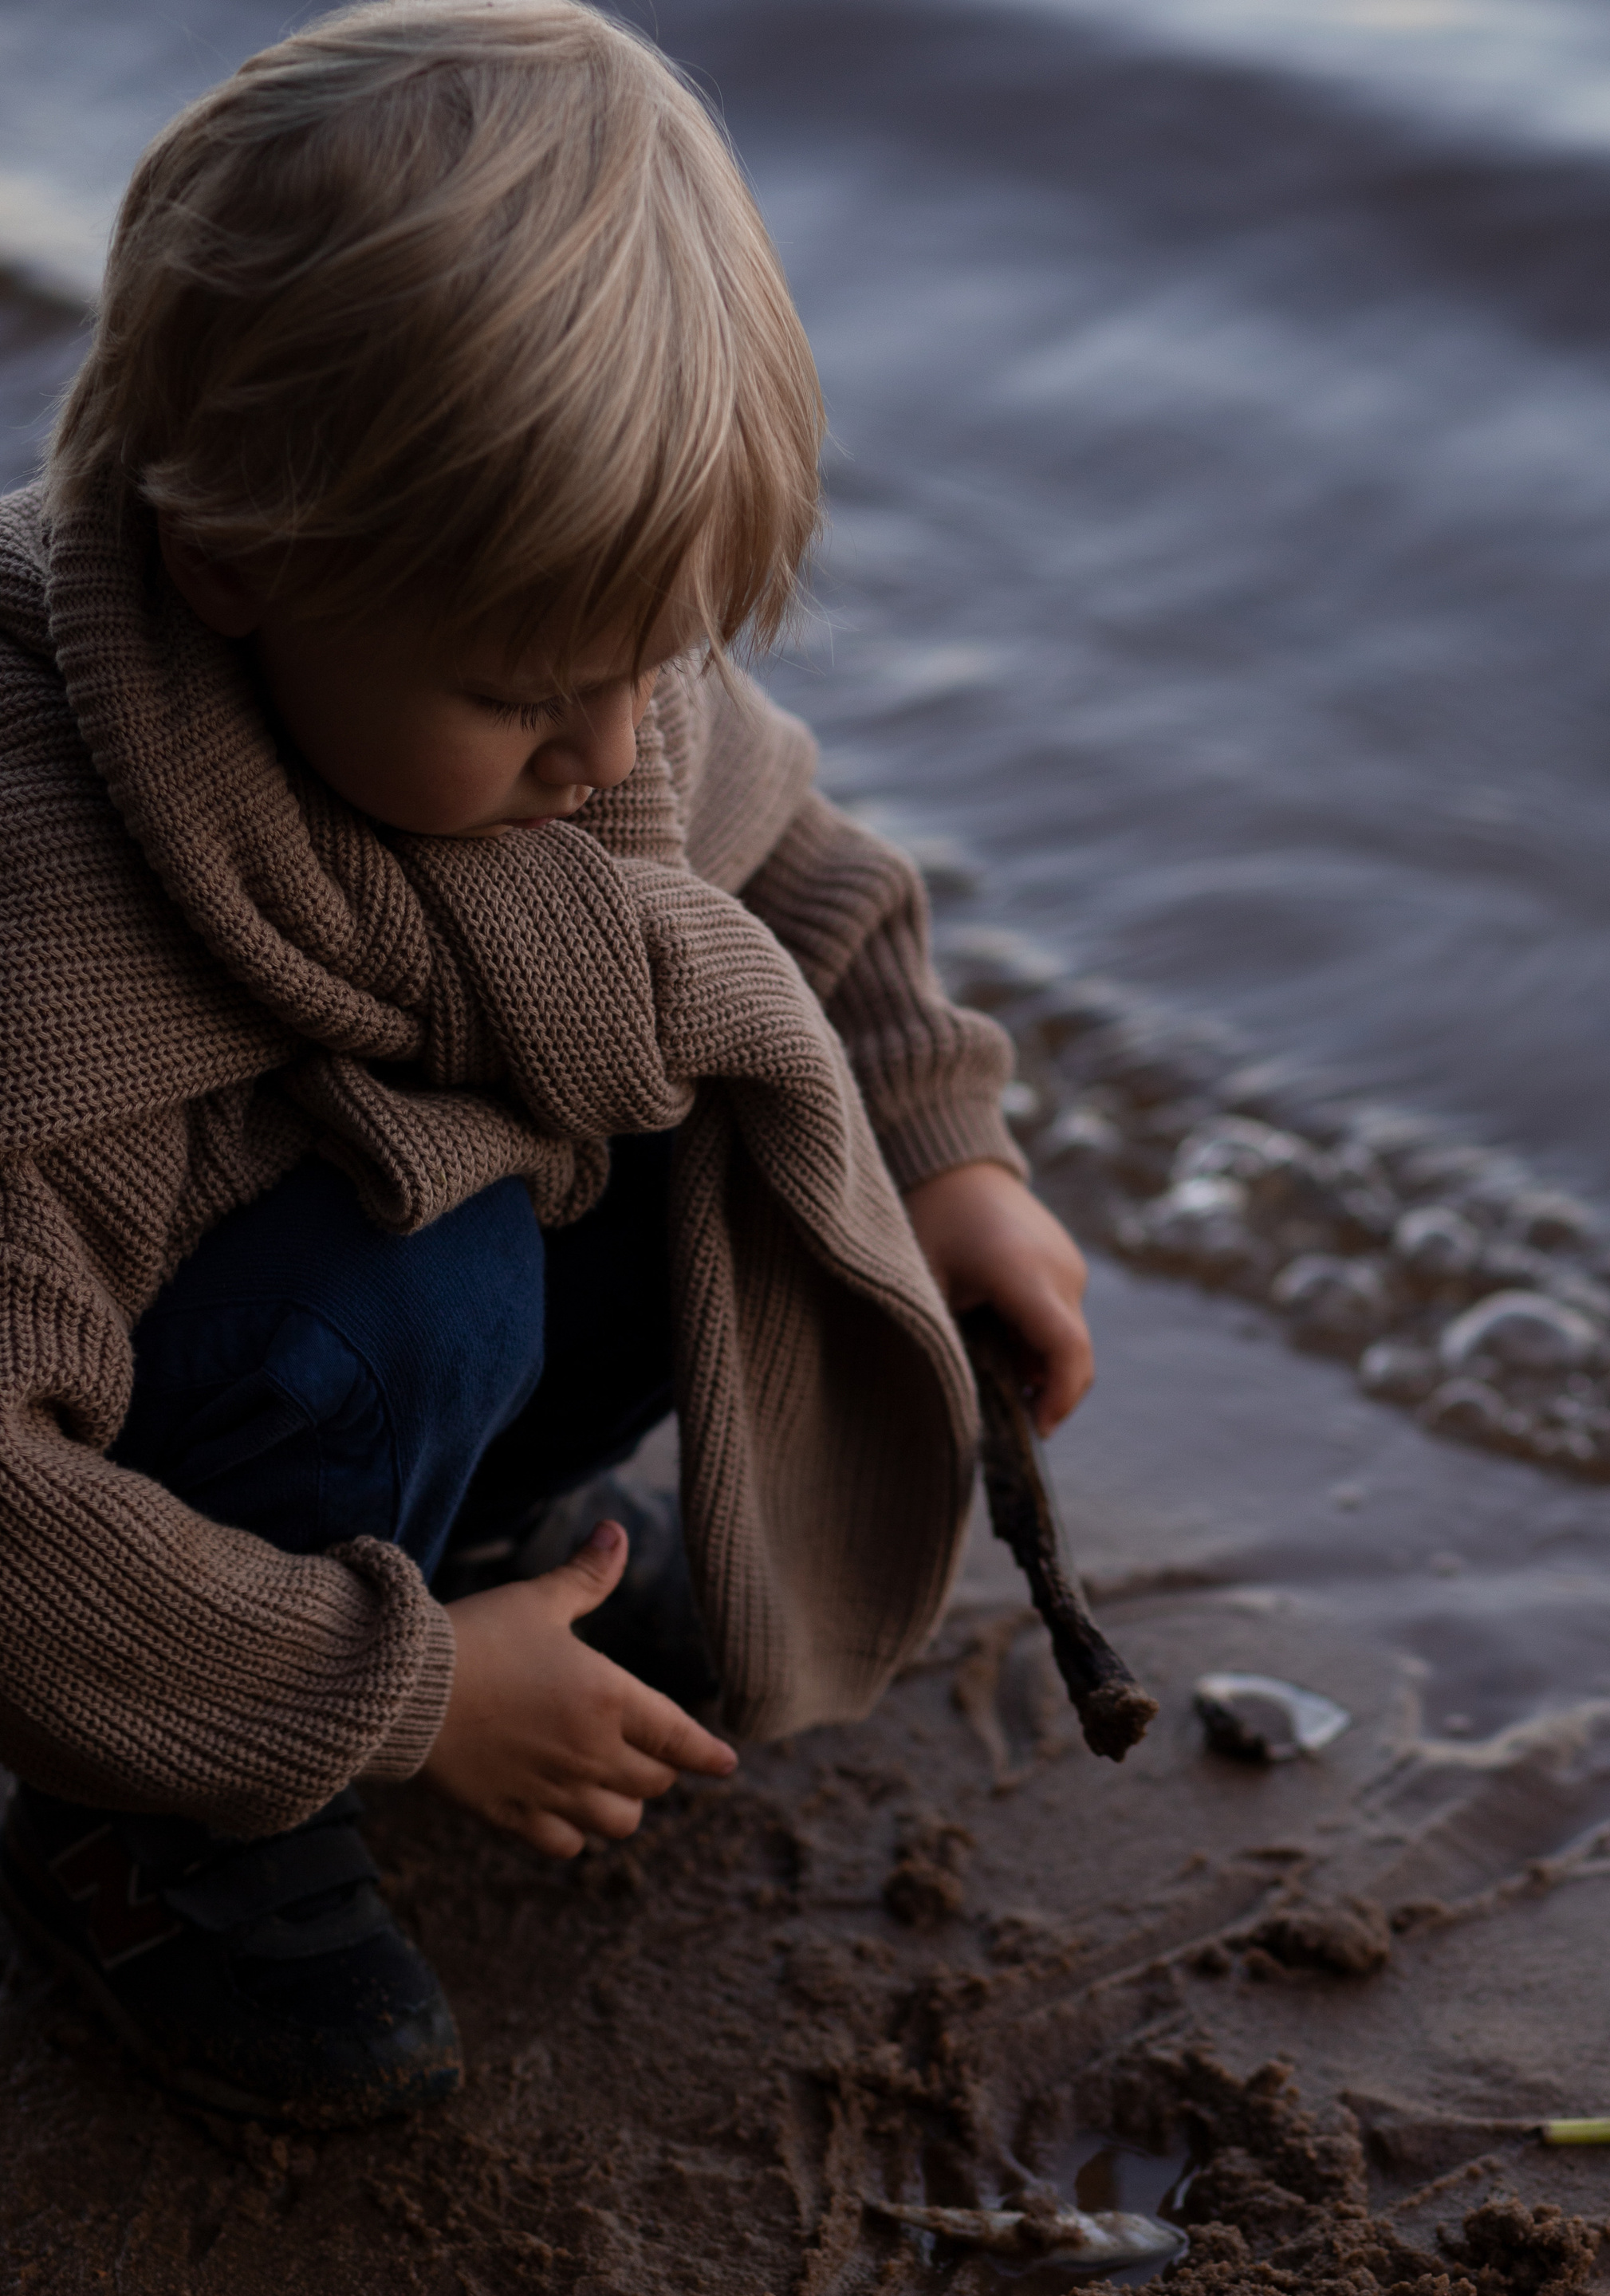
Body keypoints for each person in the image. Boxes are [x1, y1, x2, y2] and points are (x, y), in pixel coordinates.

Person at [0, 0, 1092, 2129]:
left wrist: (955, 1158)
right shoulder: (46, 906)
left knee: (722, 1097)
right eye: (525, 693)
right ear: (231, 559)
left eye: (652, 662)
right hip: (128, 1480)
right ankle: (159, 1835)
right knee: (419, 1293)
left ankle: (485, 1530)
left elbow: (809, 883)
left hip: (306, 1354)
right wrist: (395, 1702)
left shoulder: (589, 700)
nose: (607, 753)